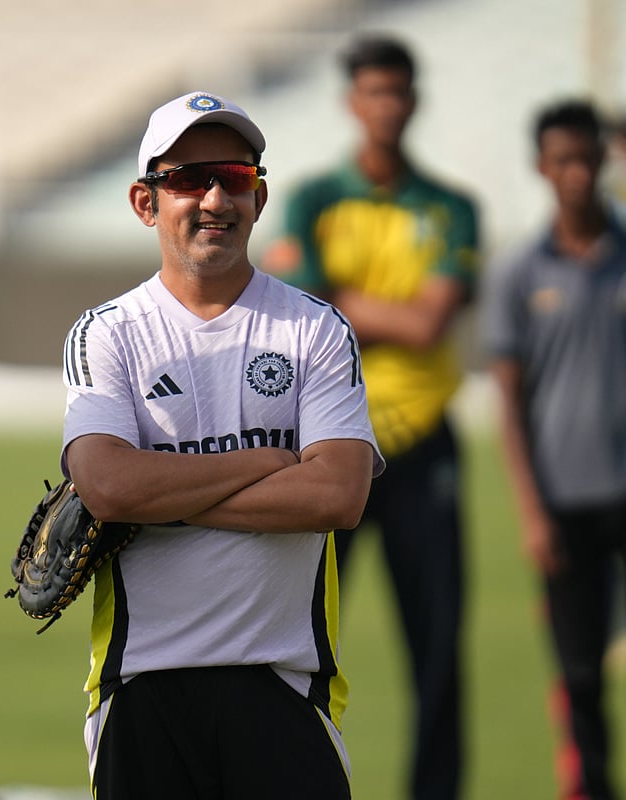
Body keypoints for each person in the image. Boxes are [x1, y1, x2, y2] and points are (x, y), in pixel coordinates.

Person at [60, 90, 384, 799]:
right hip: (141, 685)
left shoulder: (316, 328)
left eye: (234, 178)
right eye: (186, 179)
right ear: (145, 202)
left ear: (259, 198)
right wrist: (267, 464)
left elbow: (338, 494)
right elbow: (106, 486)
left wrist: (157, 492)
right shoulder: (107, 332)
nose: (214, 199)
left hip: (286, 685)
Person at [262, 34, 479, 800]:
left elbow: (428, 325)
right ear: (352, 102)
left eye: (396, 91)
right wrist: (390, 310)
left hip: (423, 441)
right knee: (298, 640)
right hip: (329, 442)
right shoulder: (313, 199)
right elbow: (309, 308)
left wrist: (344, 301)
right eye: (373, 92)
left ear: (413, 101)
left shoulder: (451, 208)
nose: (386, 106)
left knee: (438, 645)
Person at [483, 99, 626, 800]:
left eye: (586, 158)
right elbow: (509, 403)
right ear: (542, 167)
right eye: (562, 160)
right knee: (581, 673)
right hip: (565, 500)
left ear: (605, 159)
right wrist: (531, 511)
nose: (576, 173)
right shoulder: (517, 271)